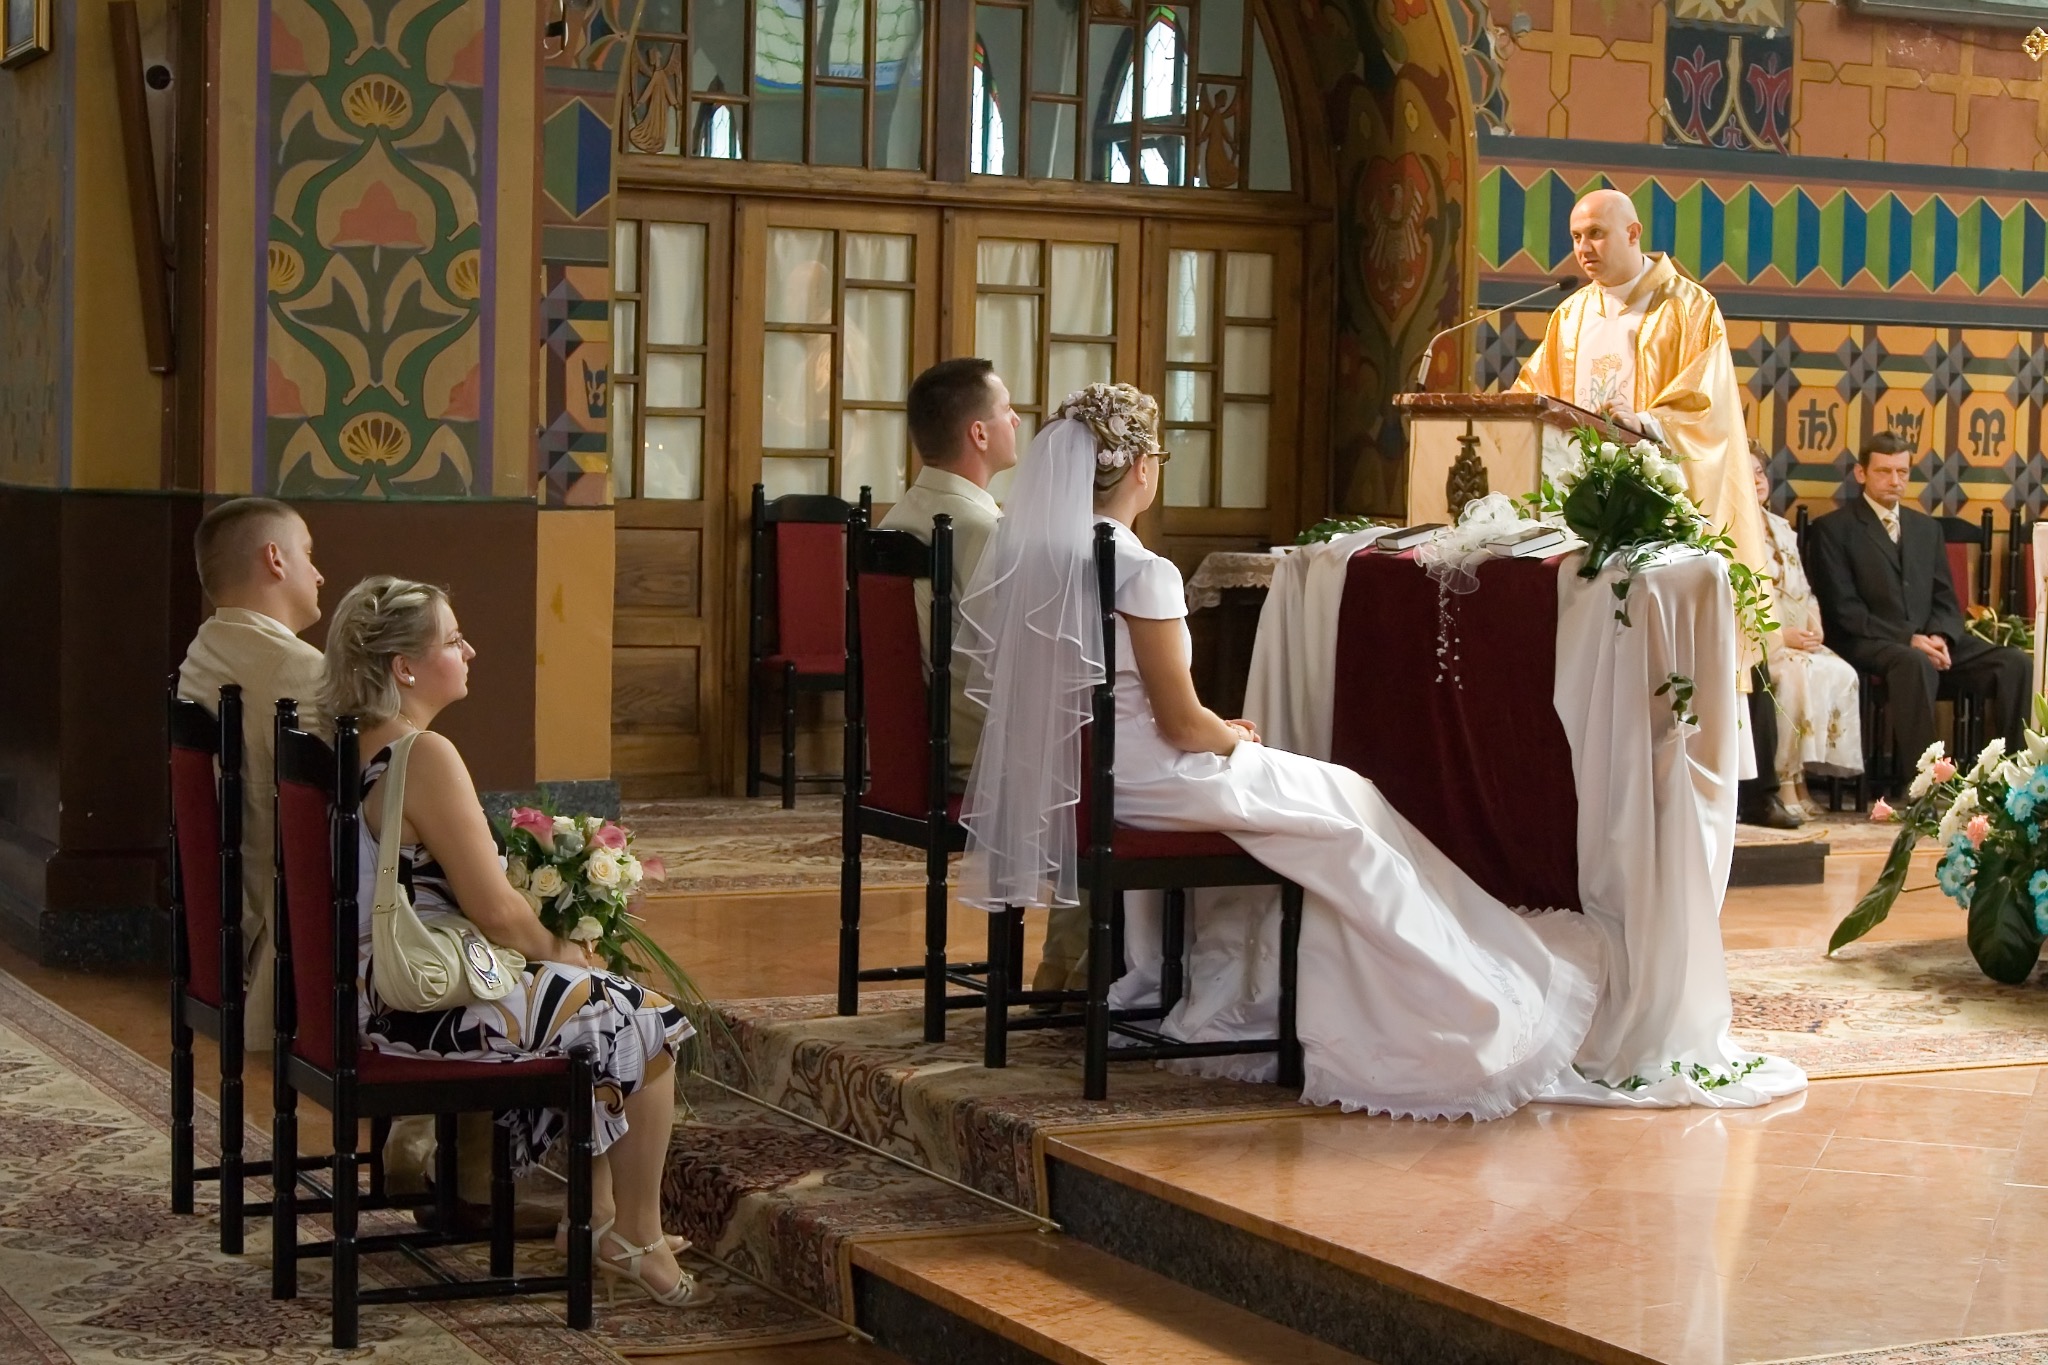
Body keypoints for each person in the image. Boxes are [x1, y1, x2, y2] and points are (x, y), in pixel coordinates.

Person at [954, 384, 1606, 1120]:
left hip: (1093, 780)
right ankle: (1447, 1011)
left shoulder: (1043, 559)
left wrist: (1212, 730)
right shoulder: (1141, 571)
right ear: (1140, 467)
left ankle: (1256, 986)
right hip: (1159, 777)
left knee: (1346, 796)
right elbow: (1180, 723)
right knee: (1349, 816)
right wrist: (1231, 732)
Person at [320, 576, 705, 1307]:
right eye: (453, 638)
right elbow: (495, 912)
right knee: (649, 1019)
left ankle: (592, 1219)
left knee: (601, 1003)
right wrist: (567, 953)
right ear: (405, 665)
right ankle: (636, 1235)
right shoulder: (421, 755)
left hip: (367, 996)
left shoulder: (346, 742)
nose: (470, 649)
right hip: (418, 1014)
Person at [879, 358, 1092, 995]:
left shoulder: (898, 521)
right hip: (974, 757)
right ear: (978, 433)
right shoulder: (979, 529)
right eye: (1005, 410)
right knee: (1104, 781)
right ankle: (1077, 973)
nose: (1016, 421)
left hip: (910, 752)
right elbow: (1021, 661)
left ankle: (1071, 968)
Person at [1511, 189, 1766, 583]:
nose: (1583, 248)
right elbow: (1532, 396)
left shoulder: (1689, 306)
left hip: (1653, 509)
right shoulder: (1571, 314)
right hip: (1575, 508)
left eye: (1596, 233)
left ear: (1633, 233)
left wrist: (1645, 423)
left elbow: (1706, 404)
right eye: (1576, 236)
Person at [177, 497, 328, 1050]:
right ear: (275, 559)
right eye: (307, 553)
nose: (318, 572)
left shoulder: (205, 650)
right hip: (289, 931)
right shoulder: (301, 671)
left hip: (228, 916)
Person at [1806, 432, 2030, 785]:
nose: (1895, 481)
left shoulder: (1925, 528)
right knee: (1913, 662)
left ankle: (2018, 780)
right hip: (1867, 640)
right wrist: (1909, 639)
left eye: (1902, 472)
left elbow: (1945, 597)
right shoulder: (1833, 529)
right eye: (1884, 471)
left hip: (1928, 639)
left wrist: (1940, 636)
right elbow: (1842, 609)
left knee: (2015, 663)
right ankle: (1927, 786)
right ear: (1861, 473)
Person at [1751, 446, 1862, 815]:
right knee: (1794, 679)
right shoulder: (1734, 526)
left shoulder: (1782, 528)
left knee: (1840, 671)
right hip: (1762, 641)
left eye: (1761, 473)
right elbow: (1742, 600)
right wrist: (1781, 636)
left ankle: (1801, 779)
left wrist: (1814, 625)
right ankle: (1783, 781)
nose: (1756, 480)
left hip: (1798, 637)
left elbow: (1804, 588)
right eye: (1747, 472)